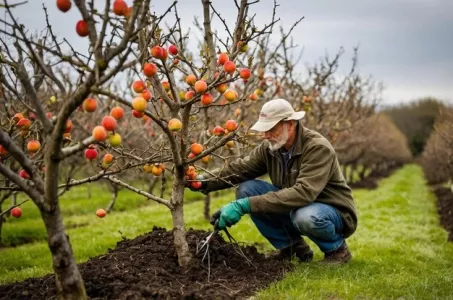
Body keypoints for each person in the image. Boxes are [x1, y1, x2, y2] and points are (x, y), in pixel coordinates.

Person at [191, 98, 357, 264]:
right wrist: (204, 181)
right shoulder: (272, 147)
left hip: (331, 211)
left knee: (305, 216)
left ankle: (337, 250)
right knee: (246, 189)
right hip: (295, 207)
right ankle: (292, 247)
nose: (265, 135)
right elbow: (241, 169)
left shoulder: (317, 148)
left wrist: (244, 205)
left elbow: (303, 193)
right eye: (264, 129)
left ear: (290, 124)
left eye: (271, 129)